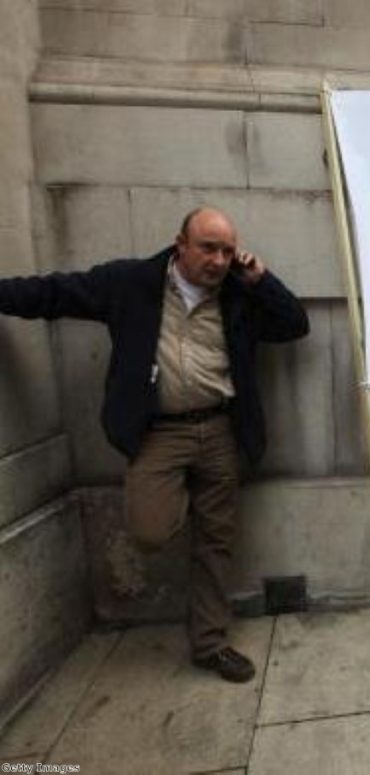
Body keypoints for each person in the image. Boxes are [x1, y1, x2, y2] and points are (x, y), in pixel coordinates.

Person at [0, 207, 309, 682]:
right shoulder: (130, 283)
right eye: (208, 247)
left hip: (221, 430)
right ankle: (179, 500)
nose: (219, 260)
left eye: (227, 250)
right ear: (180, 243)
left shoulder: (237, 294)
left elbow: (294, 324)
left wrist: (260, 280)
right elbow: (52, 293)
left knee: (216, 541)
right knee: (150, 530)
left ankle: (210, 644)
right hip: (160, 434)